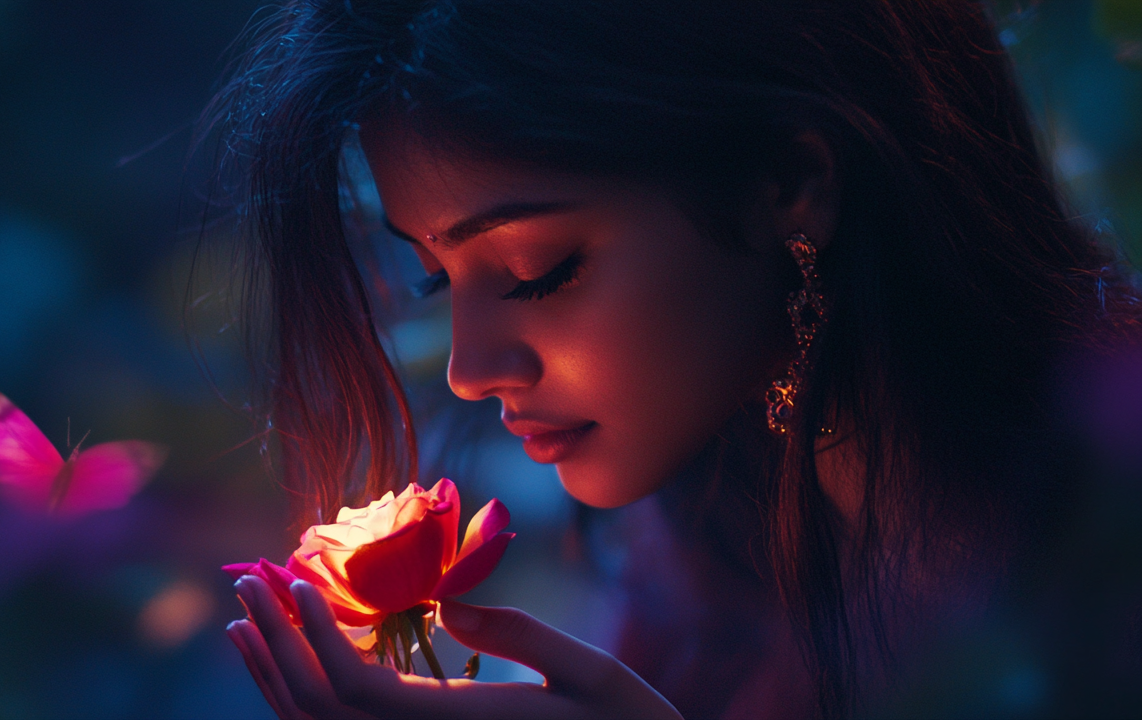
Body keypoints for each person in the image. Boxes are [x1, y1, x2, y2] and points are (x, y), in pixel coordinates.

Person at [200, 1, 1142, 717]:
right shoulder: (698, 571)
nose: (467, 368)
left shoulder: (1105, 514)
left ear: (790, 183)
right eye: (436, 280)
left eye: (537, 270)